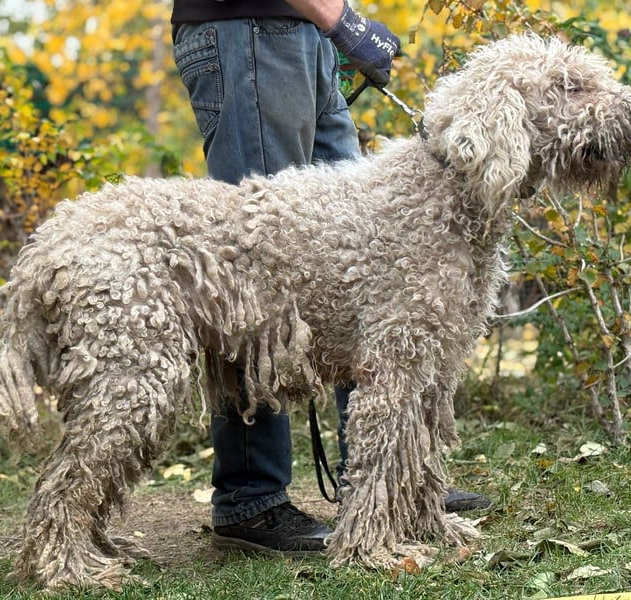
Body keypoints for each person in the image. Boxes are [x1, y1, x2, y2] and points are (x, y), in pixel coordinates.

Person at [170, 0, 488, 556]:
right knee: (261, 270)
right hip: (249, 31)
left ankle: (387, 486)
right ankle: (251, 500)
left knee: (363, 255)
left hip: (302, 34)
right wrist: (340, 18)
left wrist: (335, 23)